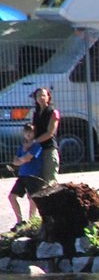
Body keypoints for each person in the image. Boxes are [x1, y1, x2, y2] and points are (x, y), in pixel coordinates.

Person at [9, 87, 59, 227]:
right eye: (38, 95)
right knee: (39, 187)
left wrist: (34, 143)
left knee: (50, 183)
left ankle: (53, 217)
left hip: (48, 150)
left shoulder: (53, 112)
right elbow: (32, 131)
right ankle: (35, 221)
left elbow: (50, 133)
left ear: (48, 97)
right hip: (36, 151)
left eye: (43, 95)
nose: (41, 97)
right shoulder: (36, 113)